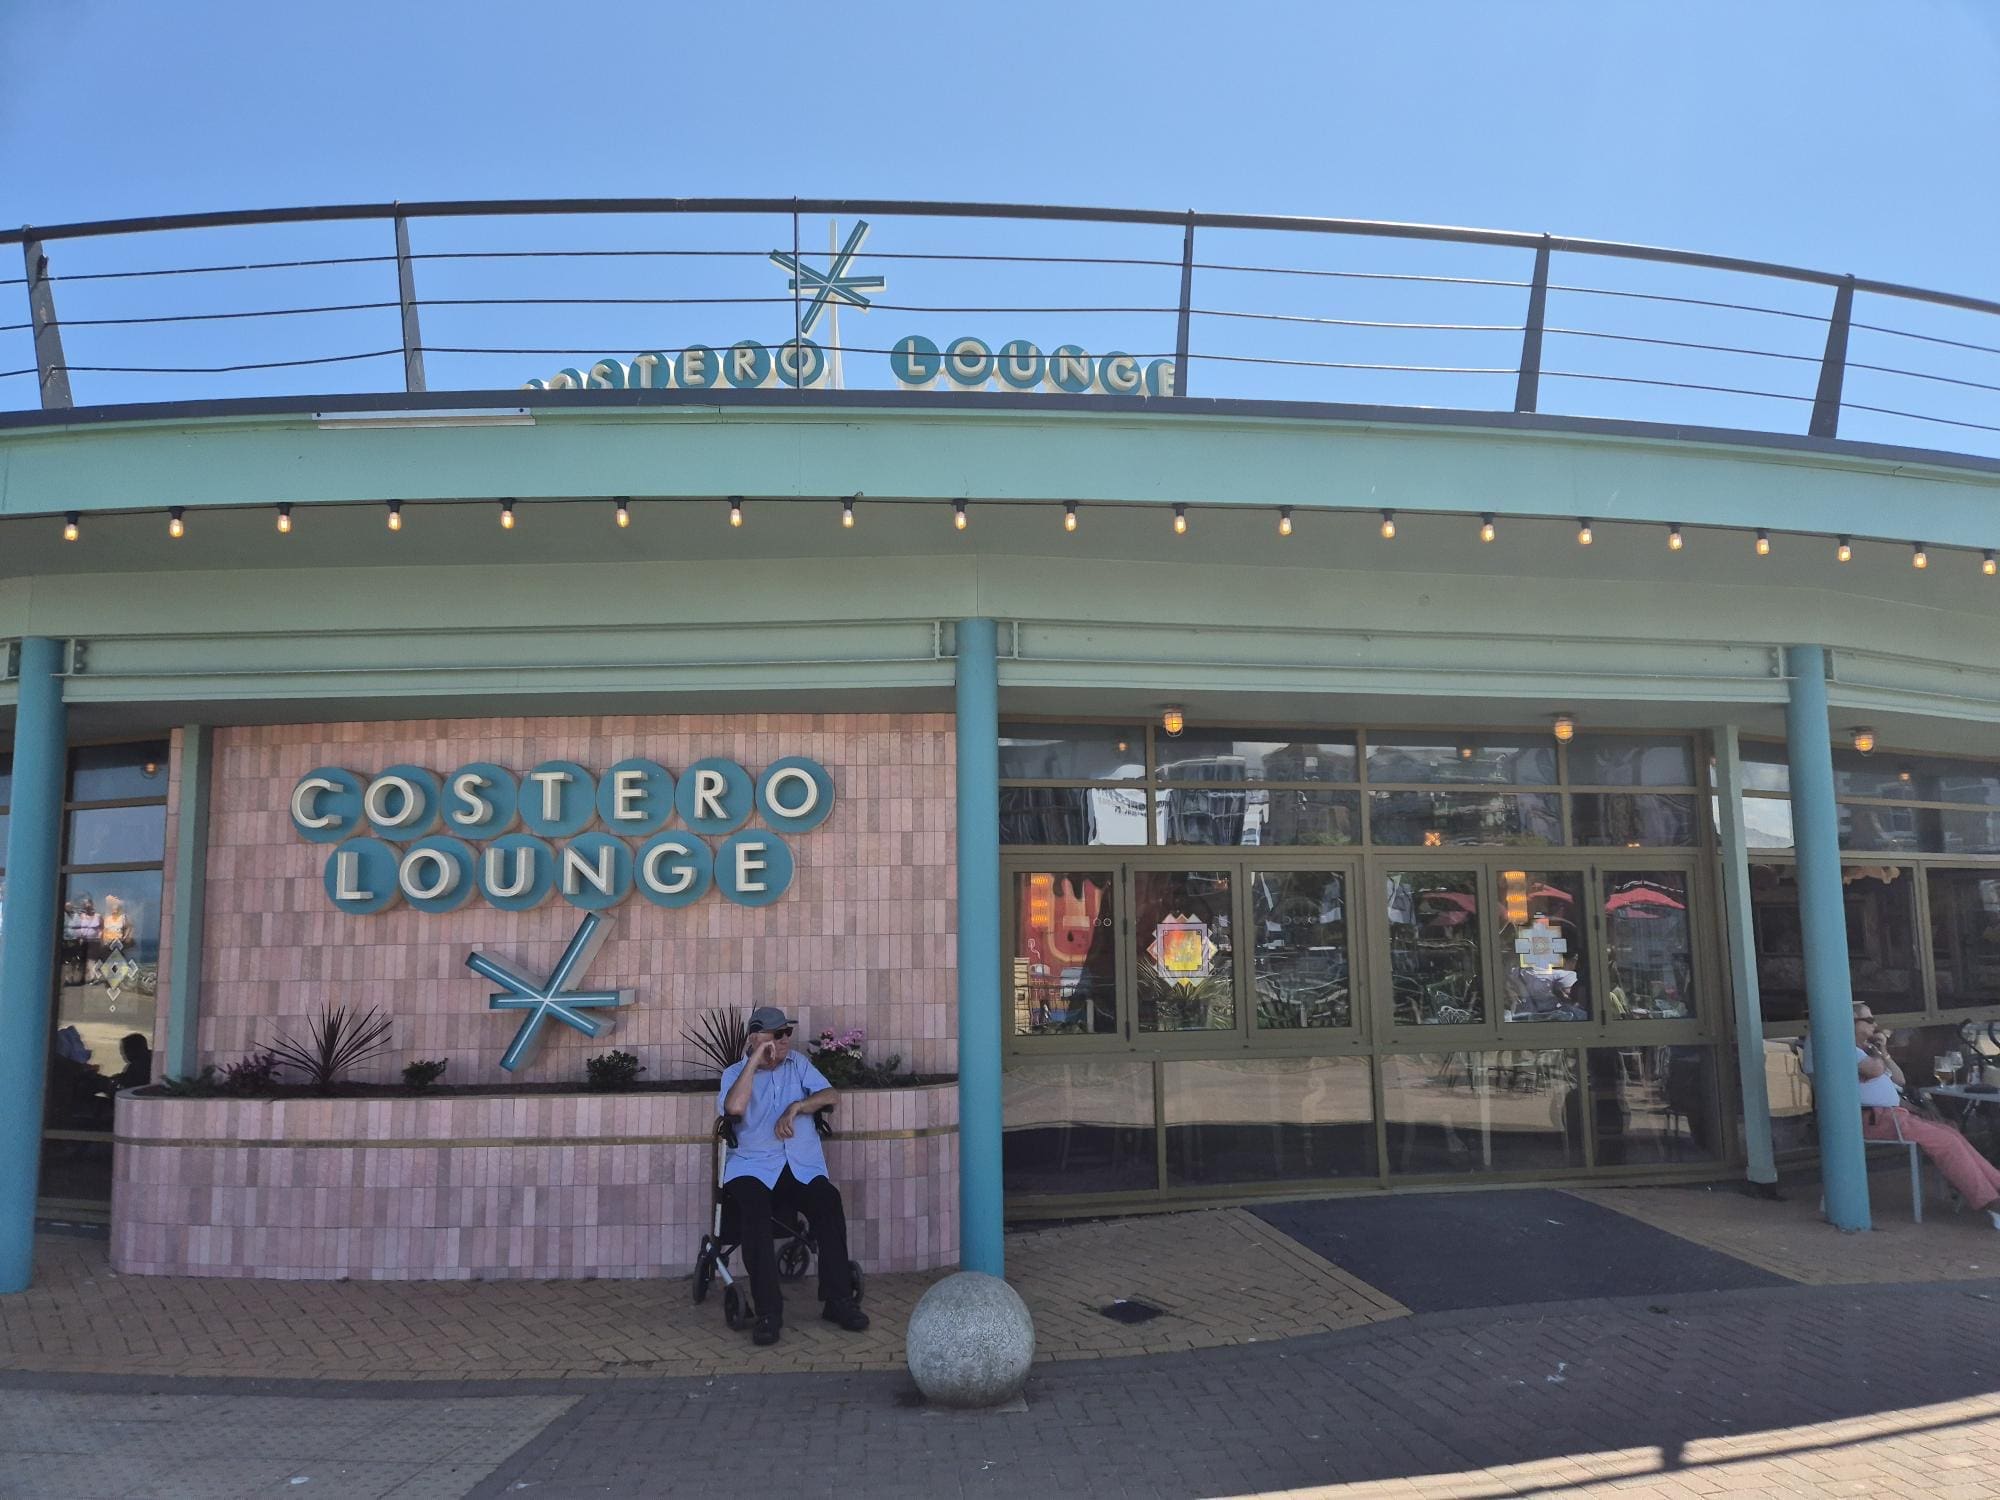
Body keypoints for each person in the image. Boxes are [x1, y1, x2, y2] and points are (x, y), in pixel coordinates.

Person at [718, 1004, 867, 1346]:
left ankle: (838, 1300)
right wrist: (756, 1060)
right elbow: (734, 1109)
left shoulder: (798, 1065)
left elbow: (832, 1096)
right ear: (756, 1038)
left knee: (827, 1201)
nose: (786, 1040)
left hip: (797, 1165)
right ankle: (769, 1312)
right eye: (778, 1034)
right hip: (752, 1166)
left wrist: (798, 1106)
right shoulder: (734, 1074)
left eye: (788, 1033)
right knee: (753, 1212)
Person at [1807, 1004, 2000, 1227]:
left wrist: (1884, 1053)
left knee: (1951, 1131)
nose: (1875, 1025)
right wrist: (1875, 1050)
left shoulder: (1862, 1050)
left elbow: (1899, 1080)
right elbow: (1875, 1071)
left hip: (1892, 1114)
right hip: (1871, 1119)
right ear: (1850, 1023)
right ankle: (1990, 1203)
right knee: (1946, 1142)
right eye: (1869, 1021)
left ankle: (1994, 1185)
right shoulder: (1840, 1045)